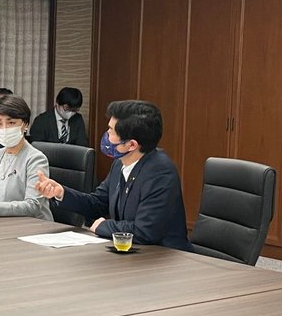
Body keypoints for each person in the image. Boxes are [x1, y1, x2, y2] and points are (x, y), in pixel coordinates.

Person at [35, 99, 191, 249]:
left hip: (165, 257)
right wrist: (61, 193)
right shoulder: (120, 163)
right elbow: (97, 203)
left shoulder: (160, 173)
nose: (106, 135)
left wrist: (104, 226)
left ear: (131, 145)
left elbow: (145, 231)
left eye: (110, 131)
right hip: (132, 252)